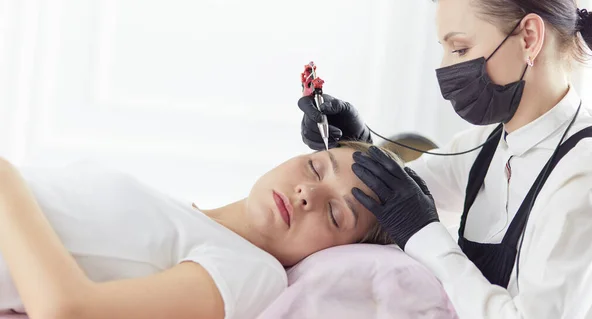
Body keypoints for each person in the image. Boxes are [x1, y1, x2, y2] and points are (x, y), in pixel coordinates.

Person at [298, 1, 592, 318]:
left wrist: (425, 235)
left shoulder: (584, 176)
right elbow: (398, 195)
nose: (445, 71)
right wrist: (359, 147)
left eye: (459, 49)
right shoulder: (487, 146)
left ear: (529, 38)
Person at [0, 141, 395, 319]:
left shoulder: (252, 271)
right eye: (315, 167)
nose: (307, 193)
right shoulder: (187, 216)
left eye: (335, 214)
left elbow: (67, 310)